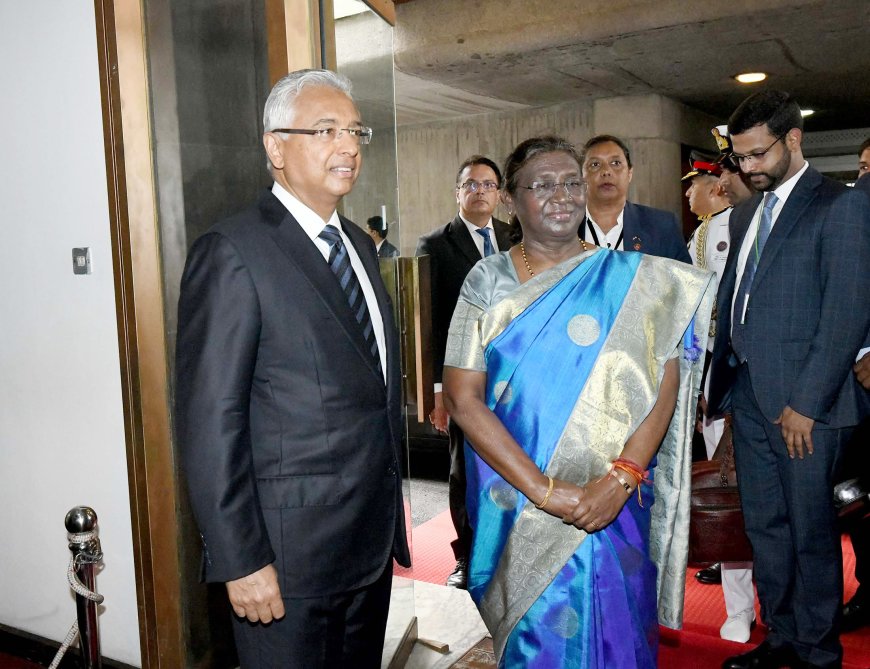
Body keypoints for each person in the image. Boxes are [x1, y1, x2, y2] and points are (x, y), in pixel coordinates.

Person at [442, 136, 715, 667]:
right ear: (511, 201)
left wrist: (622, 477)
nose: (563, 194)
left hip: (615, 499)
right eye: (542, 185)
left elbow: (666, 383)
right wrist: (548, 492)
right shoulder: (488, 279)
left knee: (619, 632)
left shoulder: (631, 279)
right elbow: (462, 396)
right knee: (538, 640)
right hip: (519, 499)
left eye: (571, 181)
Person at [175, 68, 410, 668]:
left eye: (356, 130)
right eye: (326, 130)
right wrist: (241, 559)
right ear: (275, 146)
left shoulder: (359, 245)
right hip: (284, 563)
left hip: (368, 548)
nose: (350, 145)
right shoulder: (233, 252)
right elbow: (210, 421)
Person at [707, 90, 870, 669]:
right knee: (766, 527)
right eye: (740, 157)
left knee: (810, 531)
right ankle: (782, 640)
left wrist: (808, 402)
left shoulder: (840, 205)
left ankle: (819, 654)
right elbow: (737, 301)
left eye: (757, 154)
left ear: (793, 139)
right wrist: (724, 391)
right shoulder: (749, 211)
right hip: (749, 396)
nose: (746, 167)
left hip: (805, 407)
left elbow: (846, 314)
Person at [415, 155, 511, 589]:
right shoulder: (434, 244)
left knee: (514, 460)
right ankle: (467, 556)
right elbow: (429, 323)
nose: (479, 191)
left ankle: (511, 552)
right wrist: (437, 391)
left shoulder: (517, 237)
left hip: (514, 377)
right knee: (463, 469)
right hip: (462, 379)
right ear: (457, 193)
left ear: (499, 193)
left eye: (488, 184)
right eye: (470, 185)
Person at [683, 146, 757, 643]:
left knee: (780, 505)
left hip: (779, 384)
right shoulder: (710, 232)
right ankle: (739, 607)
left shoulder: (785, 221)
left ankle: (784, 603)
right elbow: (691, 310)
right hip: (722, 379)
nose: (731, 178)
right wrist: (697, 383)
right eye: (728, 169)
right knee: (728, 490)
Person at [840, 137, 870, 632]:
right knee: (860, 497)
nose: (867, 175)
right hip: (860, 386)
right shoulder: (854, 223)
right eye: (863, 166)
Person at [580, 134, 691, 262]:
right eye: (595, 164)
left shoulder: (662, 226)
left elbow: (684, 280)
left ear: (630, 174)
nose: (606, 171)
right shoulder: (564, 229)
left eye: (616, 163)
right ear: (580, 177)